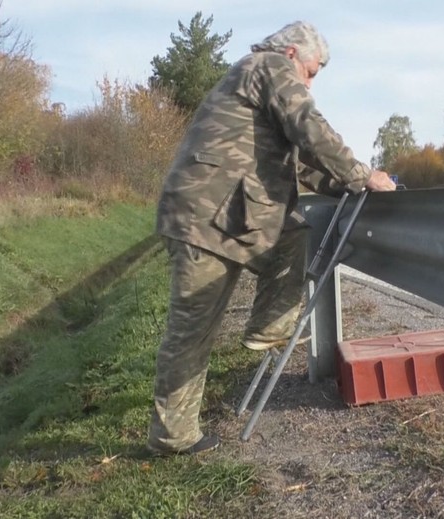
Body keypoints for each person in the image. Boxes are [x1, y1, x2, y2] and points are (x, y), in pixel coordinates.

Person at [147, 21, 396, 456]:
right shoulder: (268, 66)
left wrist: (349, 185)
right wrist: (362, 174)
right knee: (192, 330)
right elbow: (309, 126)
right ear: (293, 54)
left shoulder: (254, 86)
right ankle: (173, 435)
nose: (310, 85)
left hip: (223, 213)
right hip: (206, 216)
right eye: (311, 73)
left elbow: (300, 165)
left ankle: (267, 329)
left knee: (291, 231)